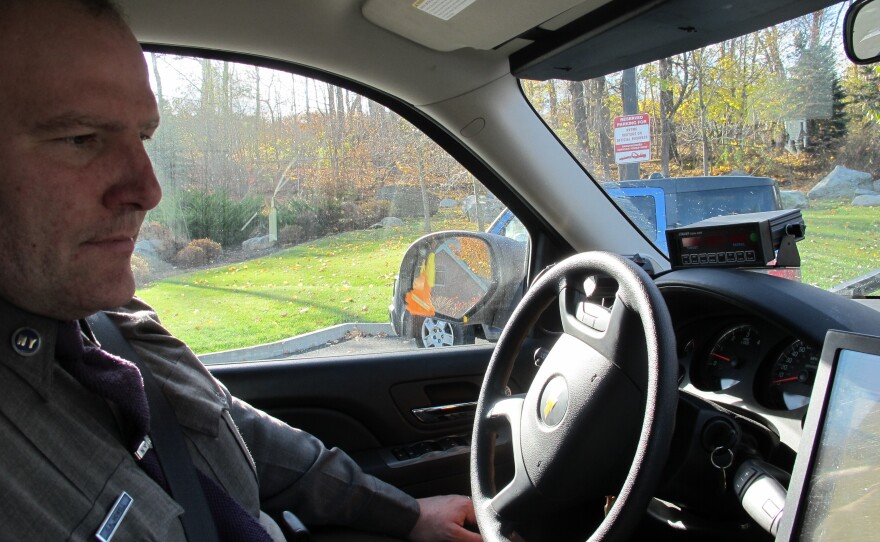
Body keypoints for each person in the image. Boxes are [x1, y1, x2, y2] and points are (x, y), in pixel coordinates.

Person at [0, 1, 483, 540]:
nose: (148, 190)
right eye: (80, 138)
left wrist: (406, 514)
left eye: (144, 137)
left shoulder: (112, 327)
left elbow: (237, 432)